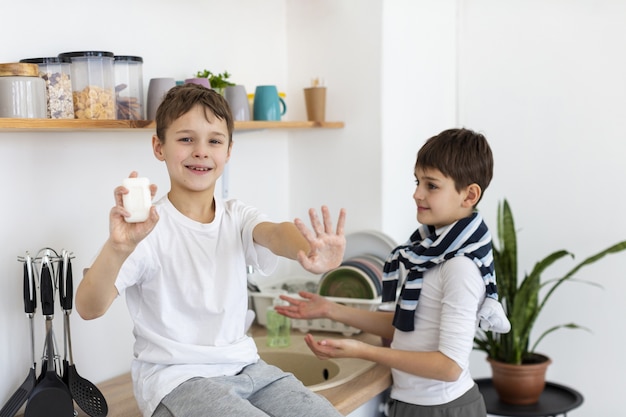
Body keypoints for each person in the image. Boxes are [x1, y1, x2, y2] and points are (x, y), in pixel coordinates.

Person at [75, 83, 347, 417]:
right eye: (186, 139)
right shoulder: (144, 229)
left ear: (229, 150)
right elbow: (88, 308)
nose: (201, 151)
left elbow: (274, 234)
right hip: (176, 379)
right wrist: (118, 249)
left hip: (247, 368)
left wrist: (309, 249)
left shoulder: (237, 216)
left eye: (214, 140)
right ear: (159, 147)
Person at [276, 128, 510, 417]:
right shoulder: (430, 251)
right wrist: (330, 309)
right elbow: (408, 327)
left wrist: (362, 350)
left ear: (469, 195)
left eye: (431, 185)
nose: (417, 193)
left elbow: (450, 367)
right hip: (416, 404)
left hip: (441, 409)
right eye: (417, 181)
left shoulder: (460, 266)